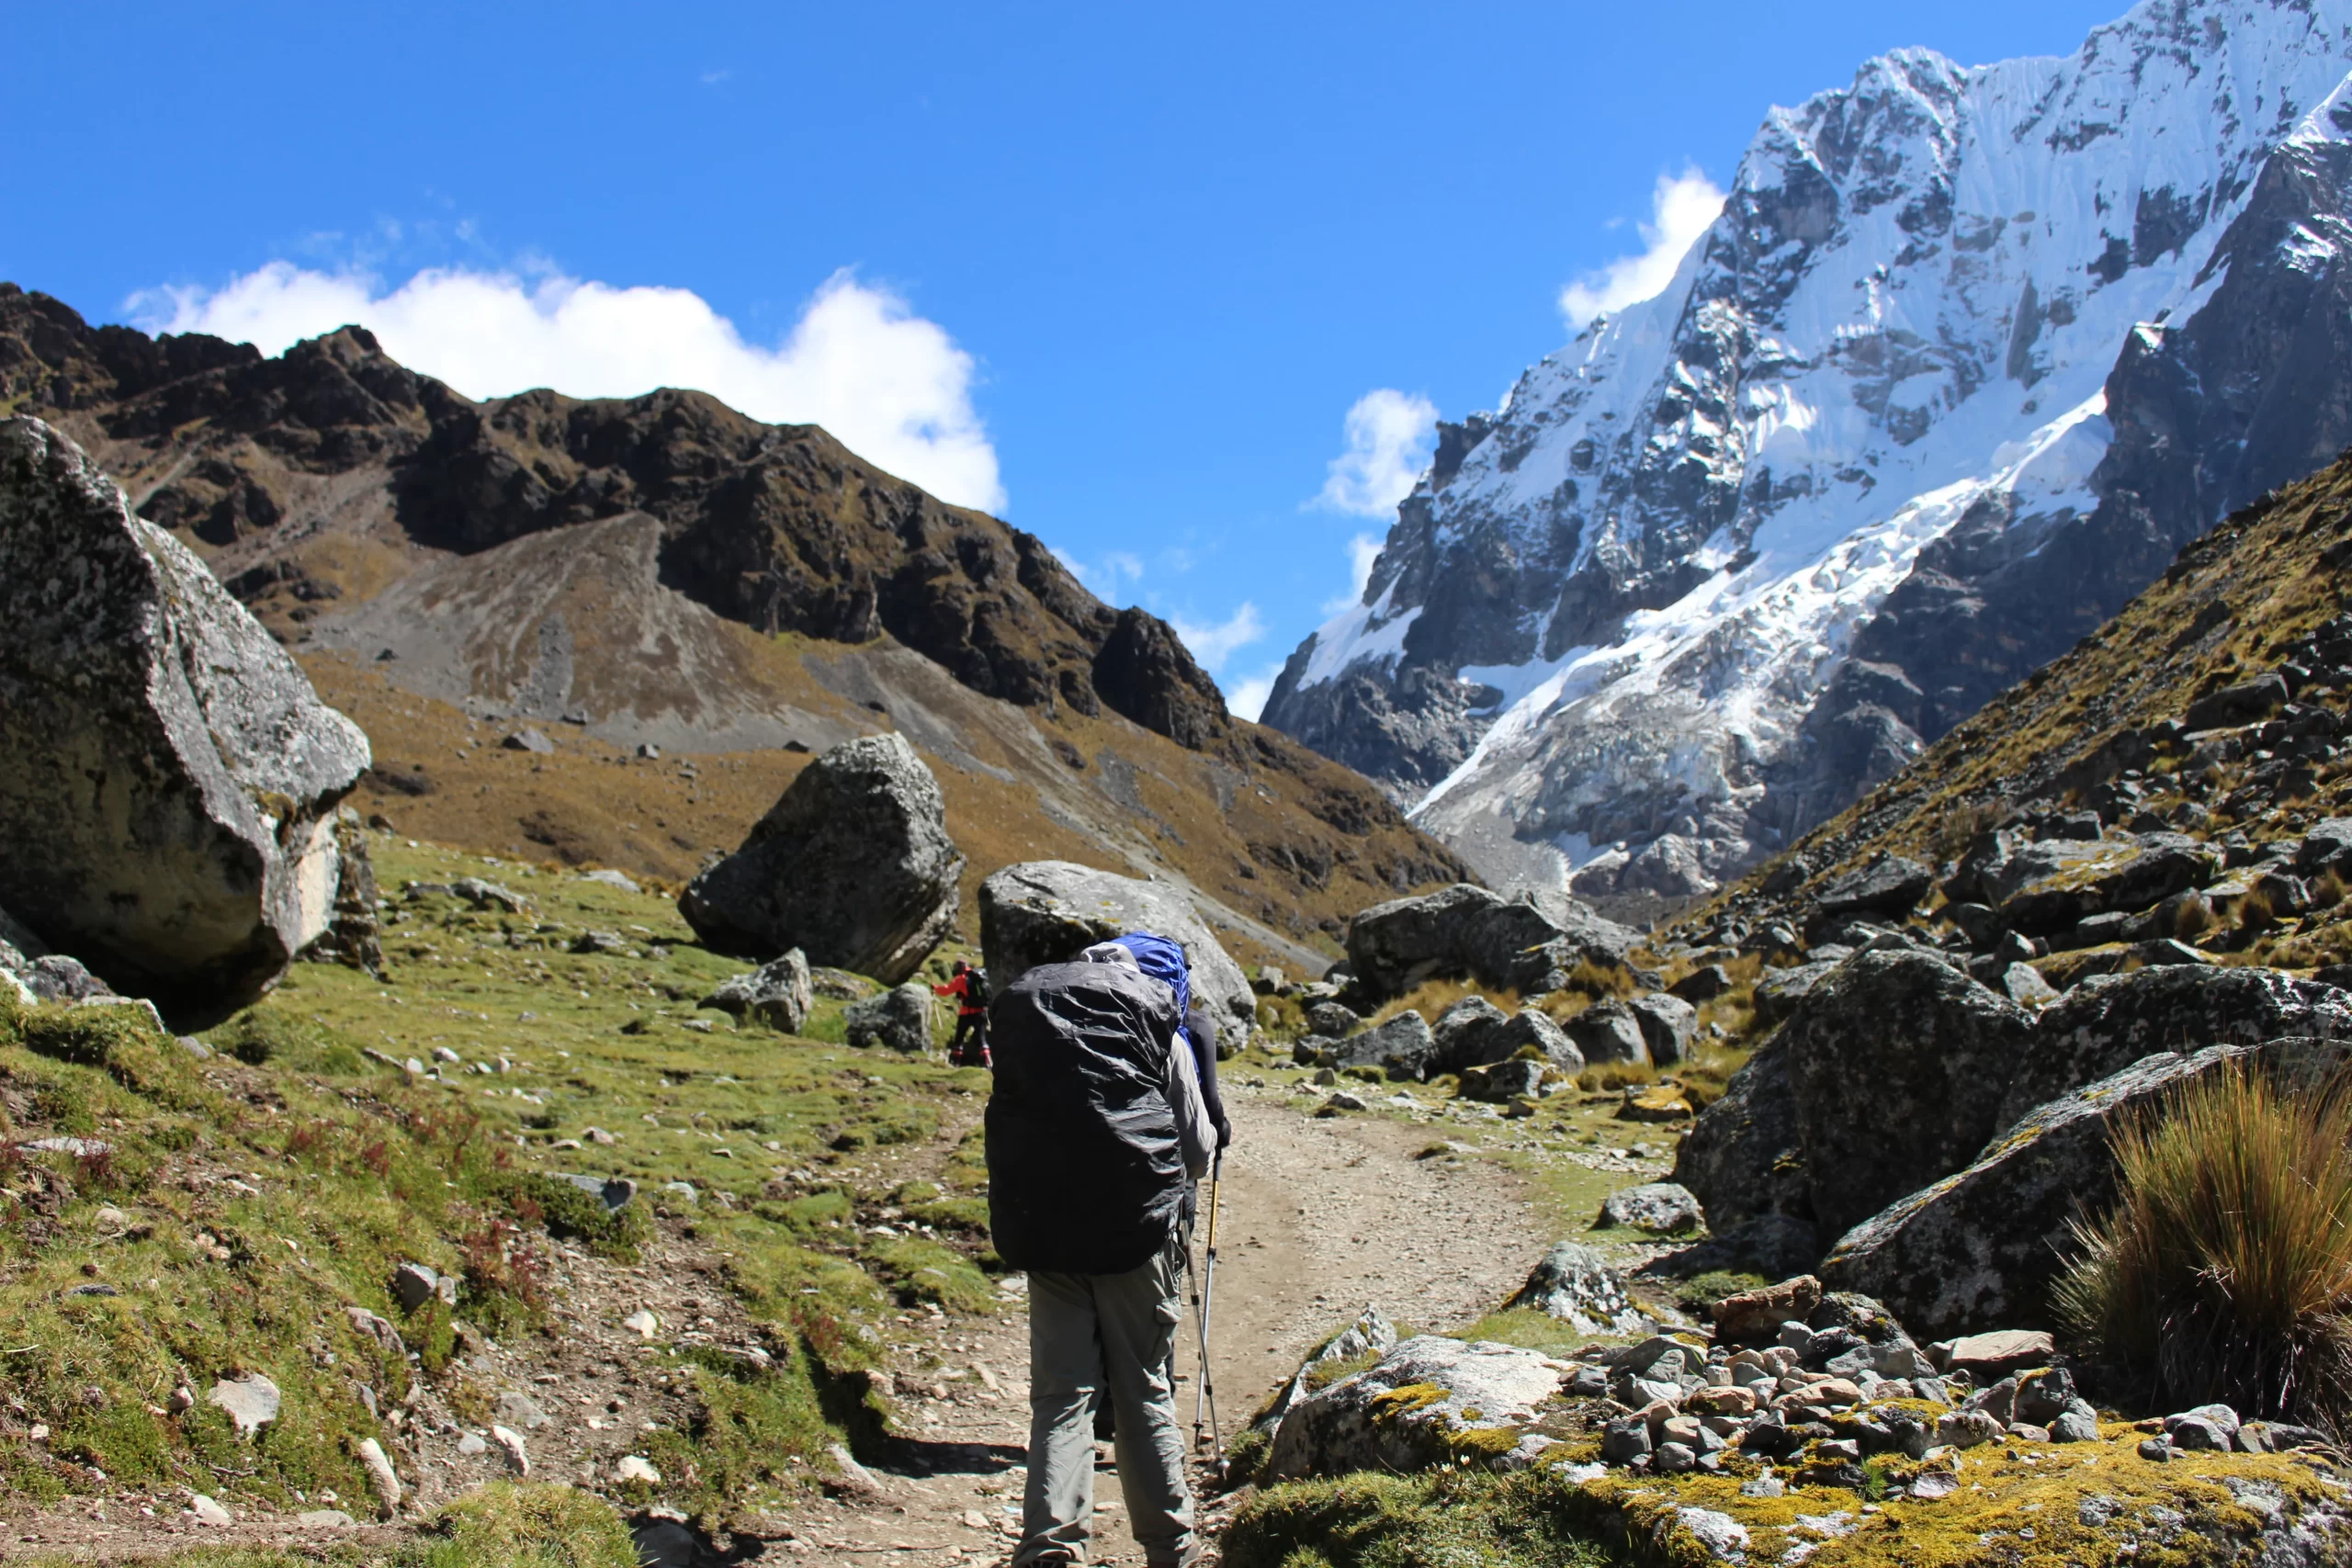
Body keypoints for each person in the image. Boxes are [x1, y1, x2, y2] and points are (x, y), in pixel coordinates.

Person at [987, 932, 1216, 1568]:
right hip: (1134, 1233)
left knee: (1062, 1395)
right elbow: (1197, 1149)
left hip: (1043, 1228)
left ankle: (1052, 1548)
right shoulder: (1154, 1022)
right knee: (1141, 1387)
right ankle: (1172, 1548)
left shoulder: (1032, 1022)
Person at [932, 959, 990, 1067]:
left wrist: (935, 988)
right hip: (981, 1012)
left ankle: (956, 1062)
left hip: (966, 1012)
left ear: (959, 968)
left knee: (959, 1038)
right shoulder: (979, 977)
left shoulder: (961, 979)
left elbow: (946, 990)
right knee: (982, 1038)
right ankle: (987, 1063)